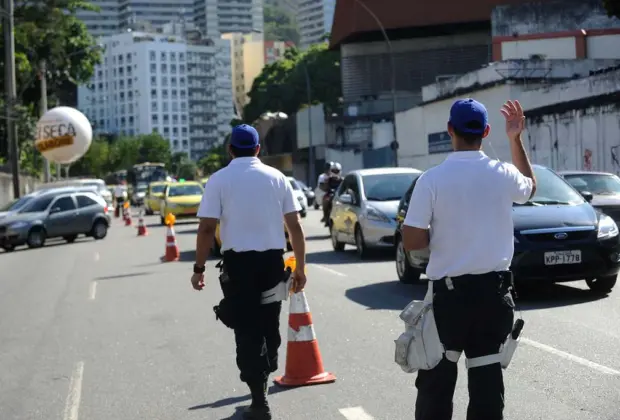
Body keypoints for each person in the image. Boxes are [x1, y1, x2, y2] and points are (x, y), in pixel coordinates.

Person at [402, 99, 536, 420]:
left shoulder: (431, 180)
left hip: (449, 299)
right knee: (487, 383)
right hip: (494, 296)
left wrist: (447, 241)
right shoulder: (503, 173)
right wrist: (515, 139)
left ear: (450, 130)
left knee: (436, 382)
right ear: (486, 131)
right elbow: (530, 188)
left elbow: (412, 240)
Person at [190, 124, 307, 420]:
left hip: (238, 268)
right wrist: (301, 269)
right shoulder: (277, 178)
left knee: (246, 328)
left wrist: (199, 268)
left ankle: (259, 400)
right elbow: (295, 227)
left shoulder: (218, 180)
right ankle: (262, 383)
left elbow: (205, 229)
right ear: (258, 149)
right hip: (272, 265)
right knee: (269, 325)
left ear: (230, 150)